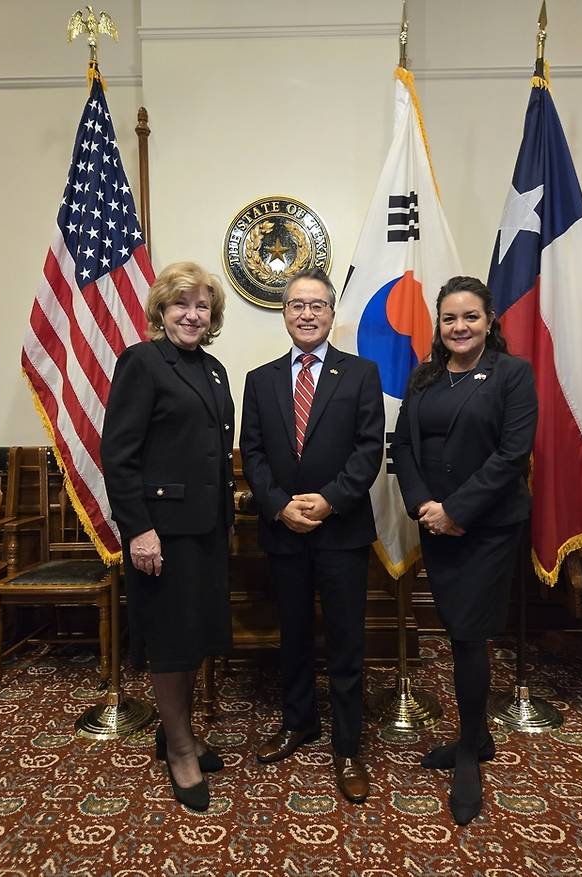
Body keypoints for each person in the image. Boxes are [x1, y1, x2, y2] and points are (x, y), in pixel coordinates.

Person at [391, 276, 537, 825]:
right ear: (439, 323)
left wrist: (457, 509)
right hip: (436, 524)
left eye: (470, 317)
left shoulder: (512, 375)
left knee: (471, 636)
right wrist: (425, 504)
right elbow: (403, 445)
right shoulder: (425, 377)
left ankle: (470, 751)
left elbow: (511, 454)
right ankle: (477, 735)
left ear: (490, 318)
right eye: (450, 319)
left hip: (488, 526)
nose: (459, 327)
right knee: (457, 631)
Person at [239, 267, 385, 804]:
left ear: (330, 313)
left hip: (341, 531)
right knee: (294, 636)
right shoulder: (260, 379)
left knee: (346, 641)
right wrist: (279, 506)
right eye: (296, 305)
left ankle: (348, 745)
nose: (306, 313)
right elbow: (251, 453)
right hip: (284, 533)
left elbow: (370, 449)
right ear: (284, 314)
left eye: (316, 305)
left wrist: (329, 500)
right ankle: (298, 722)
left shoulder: (362, 374)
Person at [101, 261, 235, 813]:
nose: (192, 314)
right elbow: (119, 454)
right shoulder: (142, 361)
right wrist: (139, 530)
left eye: (202, 306)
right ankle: (179, 747)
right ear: (161, 310)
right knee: (170, 641)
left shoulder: (214, 370)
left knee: (193, 638)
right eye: (182, 304)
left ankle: (174, 733)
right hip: (161, 533)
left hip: (204, 531)